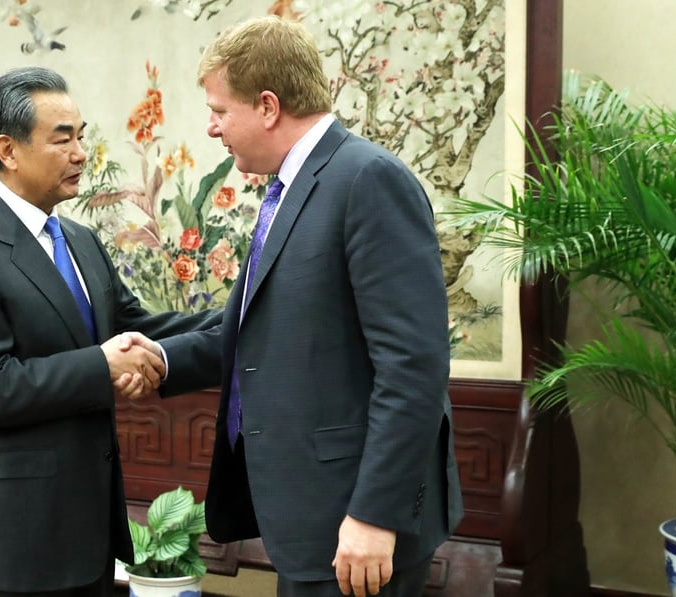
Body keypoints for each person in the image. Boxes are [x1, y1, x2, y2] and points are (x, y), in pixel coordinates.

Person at [155, 16, 464, 597]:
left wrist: (374, 515)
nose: (212, 127)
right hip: (309, 522)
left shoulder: (368, 180)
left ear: (268, 106)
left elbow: (413, 367)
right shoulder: (292, 187)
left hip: (357, 527)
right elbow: (259, 330)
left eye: (219, 111)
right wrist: (159, 358)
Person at [0, 66, 218, 596]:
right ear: (8, 151)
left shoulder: (79, 240)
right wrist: (104, 365)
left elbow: (136, 329)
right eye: (63, 140)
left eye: (81, 136)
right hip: (15, 530)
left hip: (87, 523)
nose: (81, 154)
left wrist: (243, 320)